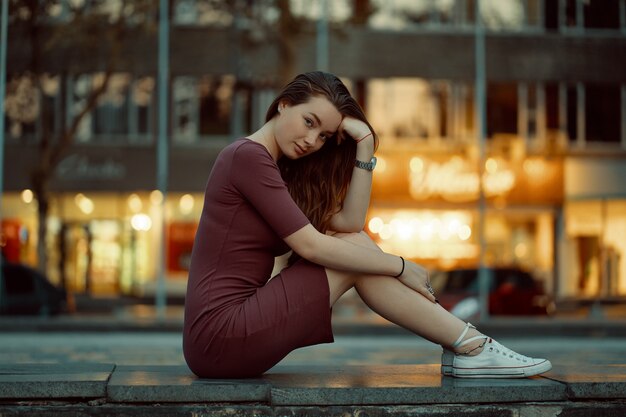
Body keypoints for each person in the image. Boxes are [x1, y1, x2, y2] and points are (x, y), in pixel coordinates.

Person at [183, 71, 552, 379]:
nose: (312, 141)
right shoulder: (246, 157)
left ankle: (468, 346)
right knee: (354, 255)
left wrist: (365, 148)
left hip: (224, 336)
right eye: (309, 122)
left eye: (325, 135)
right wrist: (402, 266)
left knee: (354, 242)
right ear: (283, 104)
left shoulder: (272, 169)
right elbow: (312, 246)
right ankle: (471, 346)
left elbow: (349, 223)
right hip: (220, 334)